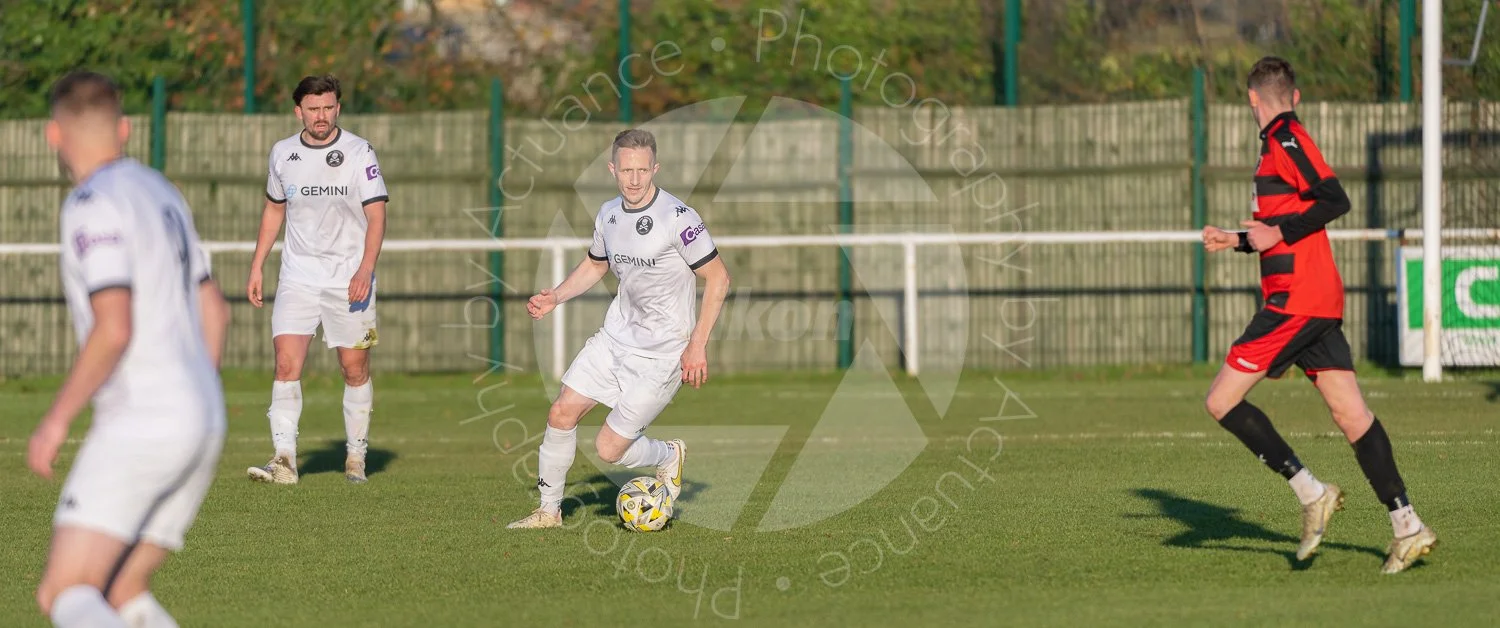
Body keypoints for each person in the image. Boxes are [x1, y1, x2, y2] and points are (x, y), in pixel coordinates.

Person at [1201, 56, 1436, 574]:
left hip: (1296, 300)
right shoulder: (1279, 144)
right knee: (1351, 414)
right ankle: (1408, 525)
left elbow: (1334, 198)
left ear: (1251, 98)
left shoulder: (1286, 138)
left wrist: (1272, 232)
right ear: (1296, 95)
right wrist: (1240, 239)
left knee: (1220, 400)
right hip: (1316, 298)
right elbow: (1285, 224)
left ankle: (1311, 493)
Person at [29, 70, 231, 627]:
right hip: (204, 415)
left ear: (53, 135)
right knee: (120, 589)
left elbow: (112, 326)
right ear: (123, 129)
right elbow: (216, 309)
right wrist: (194, 404)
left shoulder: (91, 204)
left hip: (144, 418)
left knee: (65, 591)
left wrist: (55, 421)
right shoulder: (162, 191)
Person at [506, 129, 732, 529]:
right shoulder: (609, 213)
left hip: (662, 354)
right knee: (560, 412)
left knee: (608, 450)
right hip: (614, 339)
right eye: (626, 170)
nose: (634, 179)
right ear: (612, 168)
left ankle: (667, 455)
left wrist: (697, 345)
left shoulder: (678, 218)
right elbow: (596, 264)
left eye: (642, 170)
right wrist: (556, 296)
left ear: (655, 169)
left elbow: (718, 278)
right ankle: (549, 511)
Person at [245, 74, 388, 485]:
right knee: (286, 363)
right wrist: (257, 265)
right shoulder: (283, 153)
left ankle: (356, 456)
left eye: (328, 108)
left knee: (353, 369)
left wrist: (365, 269)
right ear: (298, 111)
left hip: (349, 279)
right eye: (313, 109)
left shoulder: (360, 152)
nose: (321, 116)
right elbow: (274, 210)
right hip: (298, 276)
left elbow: (377, 215)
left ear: (337, 108)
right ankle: (284, 460)